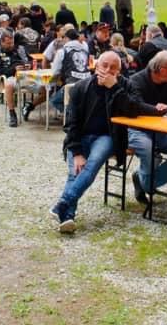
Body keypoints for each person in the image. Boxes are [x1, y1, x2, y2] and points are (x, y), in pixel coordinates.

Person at [50, 51, 132, 233]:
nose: (107, 70)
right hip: (80, 137)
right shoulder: (80, 87)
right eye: (104, 65)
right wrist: (77, 153)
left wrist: (114, 87)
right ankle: (67, 216)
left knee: (92, 163)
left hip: (106, 137)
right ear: (96, 66)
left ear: (119, 71)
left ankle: (62, 203)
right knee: (75, 172)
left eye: (113, 68)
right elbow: (71, 124)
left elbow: (132, 108)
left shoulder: (124, 86)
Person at [126, 51, 167, 206]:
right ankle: (147, 182)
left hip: (162, 130)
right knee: (148, 150)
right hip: (137, 129)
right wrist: (159, 110)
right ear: (162, 70)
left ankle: (143, 181)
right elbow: (136, 106)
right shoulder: (136, 80)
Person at [0, 32, 31, 127]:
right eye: (8, 43)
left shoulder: (19, 50)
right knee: (9, 85)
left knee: (45, 87)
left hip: (27, 76)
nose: (11, 45)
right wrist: (13, 69)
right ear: (2, 42)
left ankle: (30, 106)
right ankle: (12, 114)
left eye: (12, 42)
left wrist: (29, 65)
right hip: (11, 77)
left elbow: (30, 60)